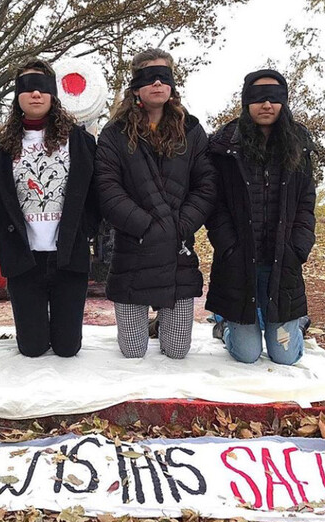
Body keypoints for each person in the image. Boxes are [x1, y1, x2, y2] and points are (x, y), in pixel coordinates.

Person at [94, 48, 217, 359]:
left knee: (177, 351)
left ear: (172, 85)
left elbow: (206, 185)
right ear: (136, 86)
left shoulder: (192, 131)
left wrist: (182, 224)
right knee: (132, 351)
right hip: (132, 251)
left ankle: (165, 324)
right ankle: (146, 325)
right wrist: (146, 226)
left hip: (178, 253)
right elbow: (107, 189)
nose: (158, 84)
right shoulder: (114, 134)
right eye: (150, 77)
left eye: (165, 77)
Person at [0, 59, 99, 358]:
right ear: (17, 96)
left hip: (68, 257)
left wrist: (84, 231)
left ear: (53, 93)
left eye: (42, 87)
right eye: (27, 87)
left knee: (67, 348)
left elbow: (96, 194)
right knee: (31, 348)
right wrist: (7, 240)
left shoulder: (81, 143)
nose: (36, 94)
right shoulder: (0, 150)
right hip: (25, 259)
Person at [206, 69, 316, 365]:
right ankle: (225, 323)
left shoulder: (299, 145)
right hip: (239, 262)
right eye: (258, 98)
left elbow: (306, 202)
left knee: (285, 355)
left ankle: (293, 322)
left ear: (284, 102)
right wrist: (228, 246)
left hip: (282, 262)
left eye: (274, 98)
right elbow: (214, 205)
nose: (266, 104)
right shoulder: (224, 146)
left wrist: (298, 247)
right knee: (247, 354)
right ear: (245, 102)